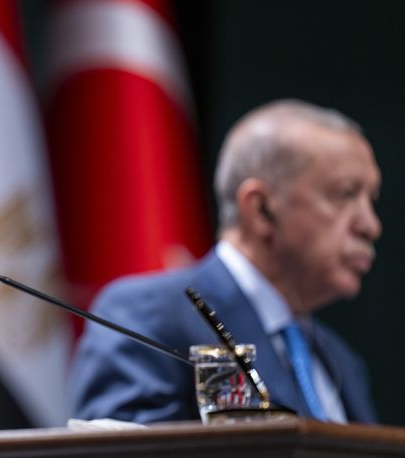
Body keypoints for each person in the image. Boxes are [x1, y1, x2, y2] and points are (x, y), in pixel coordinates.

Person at [70, 99, 380, 424]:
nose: (370, 225)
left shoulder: (340, 360)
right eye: (345, 194)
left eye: (370, 200)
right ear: (260, 208)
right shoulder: (147, 317)